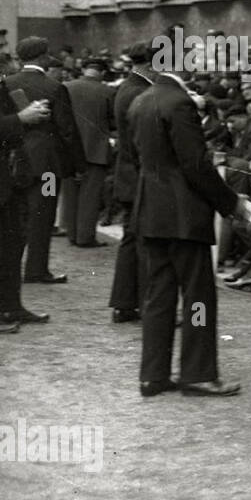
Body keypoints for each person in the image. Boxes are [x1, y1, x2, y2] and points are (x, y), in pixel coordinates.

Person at [133, 69, 251, 396]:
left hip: (151, 212)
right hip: (184, 216)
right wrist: (231, 203)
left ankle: (153, 375)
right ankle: (197, 373)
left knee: (159, 297)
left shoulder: (141, 100)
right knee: (198, 297)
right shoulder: (180, 103)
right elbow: (196, 164)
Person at [6, 38, 87, 286]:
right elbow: (67, 131)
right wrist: (78, 166)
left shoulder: (7, 83)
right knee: (44, 215)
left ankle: (11, 268)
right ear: (42, 57)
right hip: (48, 168)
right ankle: (36, 269)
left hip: (15, 164)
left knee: (16, 218)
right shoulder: (54, 87)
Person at [108, 43, 157, 323]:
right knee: (144, 242)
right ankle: (148, 305)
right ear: (150, 65)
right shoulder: (141, 92)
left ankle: (125, 304)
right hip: (140, 176)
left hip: (128, 176)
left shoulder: (128, 87)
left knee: (131, 240)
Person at [0, 74, 51, 332]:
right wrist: (20, 118)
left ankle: (10, 306)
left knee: (11, 246)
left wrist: (28, 117)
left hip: (8, 179)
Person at [61, 58, 116, 248]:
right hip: (96, 149)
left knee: (70, 195)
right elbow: (113, 121)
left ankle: (72, 233)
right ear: (102, 73)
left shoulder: (66, 87)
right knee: (90, 197)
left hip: (68, 150)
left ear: (85, 69)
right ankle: (85, 237)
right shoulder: (108, 91)